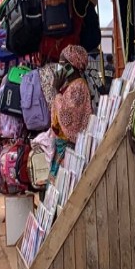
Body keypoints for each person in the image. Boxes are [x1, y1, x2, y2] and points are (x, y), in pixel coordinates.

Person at [50, 45, 93, 178]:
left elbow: (68, 118)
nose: (59, 67)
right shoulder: (71, 85)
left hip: (69, 149)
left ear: (71, 66)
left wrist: (56, 91)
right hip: (62, 148)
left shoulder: (78, 87)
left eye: (62, 64)